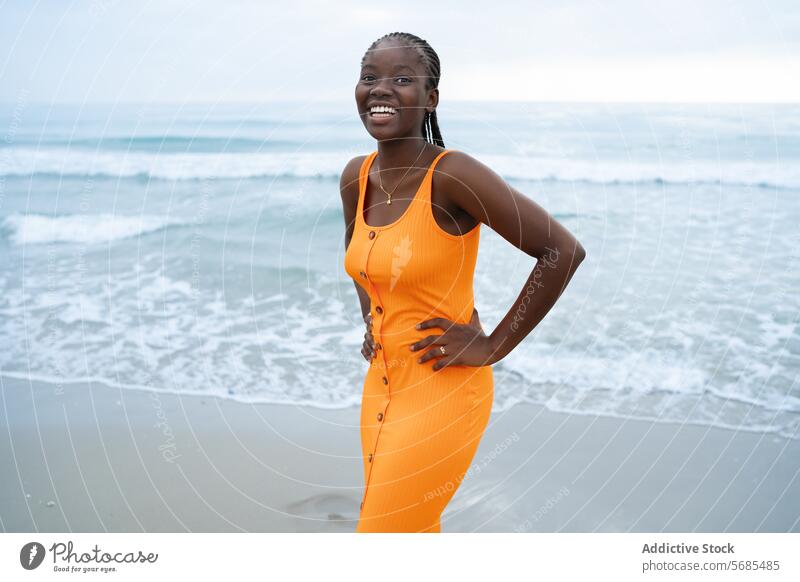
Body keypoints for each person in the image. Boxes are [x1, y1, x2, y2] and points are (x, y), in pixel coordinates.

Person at [341, 32, 586, 532]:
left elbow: (562, 251)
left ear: (430, 98)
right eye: (370, 78)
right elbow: (362, 263)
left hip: (444, 389)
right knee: (409, 530)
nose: (381, 89)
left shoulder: (453, 175)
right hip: (382, 386)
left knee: (381, 536)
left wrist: (494, 345)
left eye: (402, 79)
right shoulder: (356, 176)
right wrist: (373, 319)